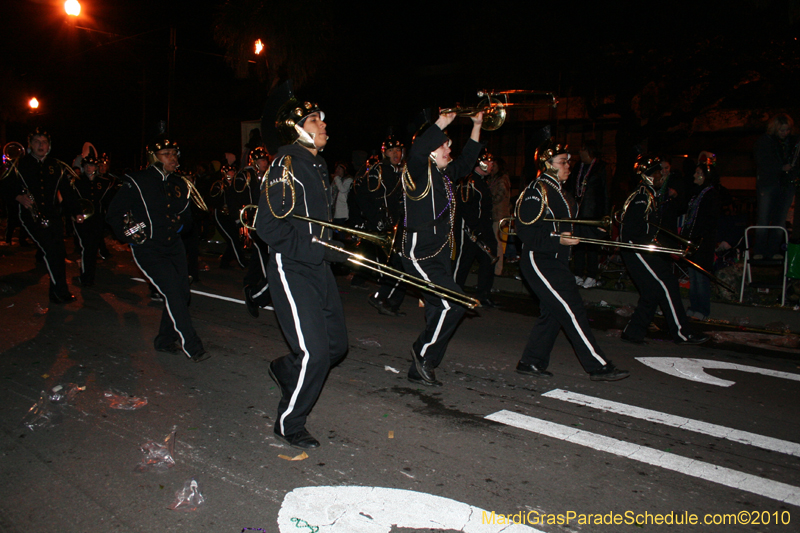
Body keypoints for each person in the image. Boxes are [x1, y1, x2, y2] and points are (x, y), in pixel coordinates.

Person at [257, 97, 348, 449]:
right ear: (295, 129)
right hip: (291, 266)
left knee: (336, 347)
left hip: (317, 266)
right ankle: (288, 422)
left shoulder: (317, 164)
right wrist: (316, 250)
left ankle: (285, 368)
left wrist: (335, 247)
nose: (323, 125)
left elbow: (314, 221)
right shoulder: (286, 164)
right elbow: (268, 226)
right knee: (316, 353)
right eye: (314, 120)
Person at [514, 139, 628, 382]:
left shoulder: (563, 193)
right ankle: (598, 366)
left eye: (568, 161)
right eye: (563, 162)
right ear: (547, 164)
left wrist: (600, 234)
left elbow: (571, 230)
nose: (568, 166)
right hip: (540, 260)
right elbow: (527, 233)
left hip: (557, 261)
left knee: (554, 313)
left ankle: (530, 361)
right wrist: (558, 242)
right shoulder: (537, 190)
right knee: (572, 309)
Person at [106, 135, 210, 362]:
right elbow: (114, 213)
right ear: (154, 157)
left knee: (181, 293)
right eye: (166, 154)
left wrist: (181, 223)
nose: (172, 158)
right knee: (172, 290)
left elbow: (188, 219)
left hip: (174, 246)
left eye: (174, 154)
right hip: (149, 248)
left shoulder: (180, 183)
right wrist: (133, 233)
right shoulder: (137, 180)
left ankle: (164, 339)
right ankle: (191, 344)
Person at [400, 112, 482, 387]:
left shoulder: (444, 177)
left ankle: (419, 368)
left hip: (440, 255)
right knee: (455, 303)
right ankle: (423, 353)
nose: (449, 149)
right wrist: (442, 122)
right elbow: (418, 150)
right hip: (419, 254)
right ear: (430, 151)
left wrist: (478, 125)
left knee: (439, 309)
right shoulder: (416, 172)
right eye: (443, 144)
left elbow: (468, 161)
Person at [619, 156, 710, 346]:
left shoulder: (650, 194)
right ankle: (682, 333)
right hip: (637, 249)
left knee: (652, 291)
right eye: (658, 172)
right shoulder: (642, 196)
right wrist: (659, 248)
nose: (662, 175)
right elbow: (633, 230)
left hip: (643, 248)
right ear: (648, 176)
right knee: (667, 282)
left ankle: (633, 331)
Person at [7, 128, 80, 303]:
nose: (41, 145)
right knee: (52, 251)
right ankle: (59, 292)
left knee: (58, 252)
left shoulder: (57, 166)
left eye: (44, 142)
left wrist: (77, 212)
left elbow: (68, 193)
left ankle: (56, 291)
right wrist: (18, 196)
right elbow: (5, 187)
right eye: (37, 142)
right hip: (30, 216)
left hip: (53, 216)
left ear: (49, 146)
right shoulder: (18, 164)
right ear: (30, 145)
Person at [362, 136, 407, 317]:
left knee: (401, 265)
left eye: (398, 150)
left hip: (400, 224)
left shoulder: (400, 172)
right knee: (400, 265)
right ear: (384, 153)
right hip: (386, 226)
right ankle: (382, 297)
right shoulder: (378, 170)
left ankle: (389, 301)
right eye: (391, 151)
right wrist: (377, 220)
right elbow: (367, 196)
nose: (396, 154)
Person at [453, 149, 498, 307]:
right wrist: (475, 230)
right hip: (468, 230)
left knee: (489, 258)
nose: (491, 164)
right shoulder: (469, 181)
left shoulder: (481, 182)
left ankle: (483, 294)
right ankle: (454, 293)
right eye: (488, 161)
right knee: (463, 261)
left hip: (482, 228)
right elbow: (466, 208)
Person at [754, 113, 798, 259]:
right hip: (768, 184)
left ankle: (775, 251)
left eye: (787, 130)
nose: (785, 133)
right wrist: (781, 167)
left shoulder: (792, 142)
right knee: (764, 217)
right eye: (782, 130)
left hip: (786, 184)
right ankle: (759, 250)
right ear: (775, 129)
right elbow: (763, 162)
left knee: (780, 218)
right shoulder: (765, 141)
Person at [682, 159, 721, 320]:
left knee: (701, 276)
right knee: (693, 276)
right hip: (692, 240)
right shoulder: (697, 193)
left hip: (703, 242)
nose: (695, 175)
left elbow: (710, 220)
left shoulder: (711, 194)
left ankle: (703, 309)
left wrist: (701, 236)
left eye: (699, 173)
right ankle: (694, 305)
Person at [567, 140, 608, 289]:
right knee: (577, 243)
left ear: (589, 150)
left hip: (593, 214)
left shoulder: (601, 167)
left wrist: (605, 217)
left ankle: (591, 275)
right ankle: (577, 273)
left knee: (591, 245)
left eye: (582, 149)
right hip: (578, 213)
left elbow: (605, 193)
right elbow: (571, 188)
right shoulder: (578, 166)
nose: (580, 152)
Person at [71, 152, 114, 287]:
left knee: (93, 247)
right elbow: (71, 200)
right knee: (86, 247)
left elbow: (109, 202)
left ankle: (89, 276)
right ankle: (86, 277)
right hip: (81, 219)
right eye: (87, 165)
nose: (90, 168)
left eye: (92, 165)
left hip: (97, 219)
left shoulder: (104, 183)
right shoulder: (76, 181)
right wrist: (74, 213)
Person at [243, 147, 273, 318]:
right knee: (271, 269)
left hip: (264, 224)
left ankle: (249, 285)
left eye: (265, 160)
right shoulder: (249, 176)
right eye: (261, 160)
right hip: (258, 225)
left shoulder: (265, 176)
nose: (265, 163)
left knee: (258, 260)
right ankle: (255, 296)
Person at [209, 164, 247, 269]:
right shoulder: (219, 184)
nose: (232, 174)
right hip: (221, 215)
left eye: (233, 172)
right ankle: (242, 262)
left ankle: (225, 261)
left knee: (236, 239)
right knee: (232, 238)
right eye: (229, 172)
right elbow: (213, 198)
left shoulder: (236, 186)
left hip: (231, 215)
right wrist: (220, 192)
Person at [487, 156, 511, 276]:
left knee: (498, 243)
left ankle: (498, 269)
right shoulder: (494, 179)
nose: (492, 168)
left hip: (499, 215)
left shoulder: (502, 180)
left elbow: (499, 197)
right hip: (495, 214)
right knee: (496, 243)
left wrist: (487, 200)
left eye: (494, 166)